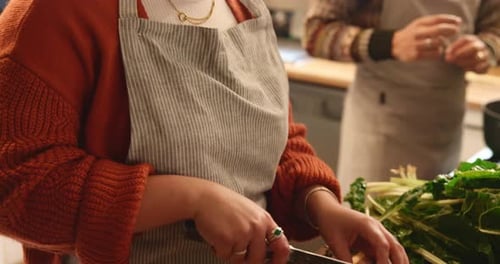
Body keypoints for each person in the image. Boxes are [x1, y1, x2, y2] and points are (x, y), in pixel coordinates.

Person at [0, 0, 409, 263]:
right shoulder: (55, 12)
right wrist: (192, 198)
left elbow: (277, 142)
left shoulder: (246, 8)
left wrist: (319, 205)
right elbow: (15, 185)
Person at [303, 0, 500, 192]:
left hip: (446, 117)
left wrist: (485, 49)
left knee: (435, 214)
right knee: (371, 215)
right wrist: (391, 43)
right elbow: (315, 34)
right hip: (380, 119)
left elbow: (495, 30)